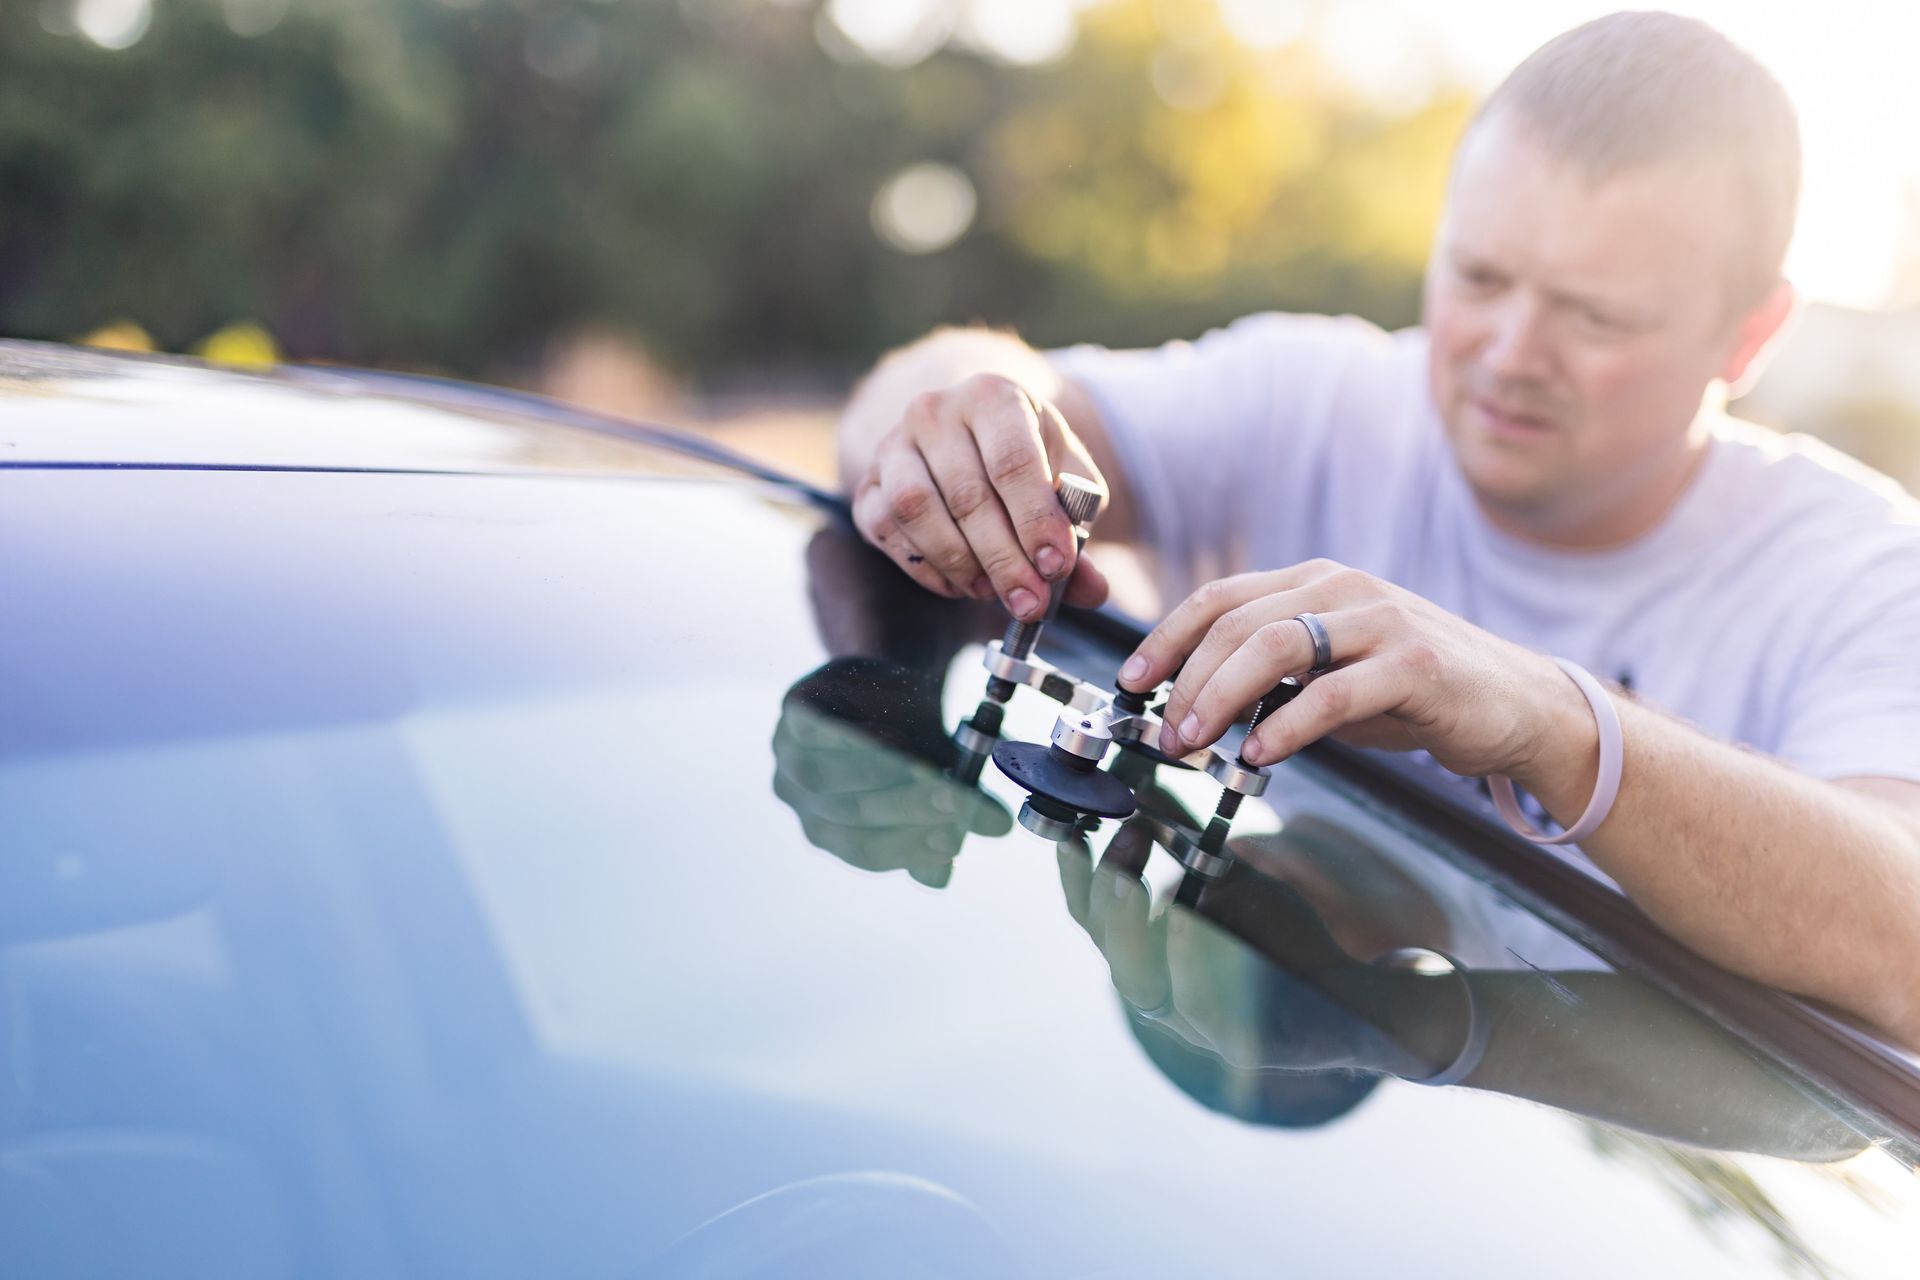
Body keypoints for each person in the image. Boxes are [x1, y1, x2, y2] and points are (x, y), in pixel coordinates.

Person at [831, 13, 1920, 1047]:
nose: (1508, 350)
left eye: (1597, 316)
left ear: (1753, 332)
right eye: (1479, 276)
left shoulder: (1865, 575)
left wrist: (1547, 717)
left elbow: (1904, 935)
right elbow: (966, 394)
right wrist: (954, 422)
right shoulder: (1312, 402)